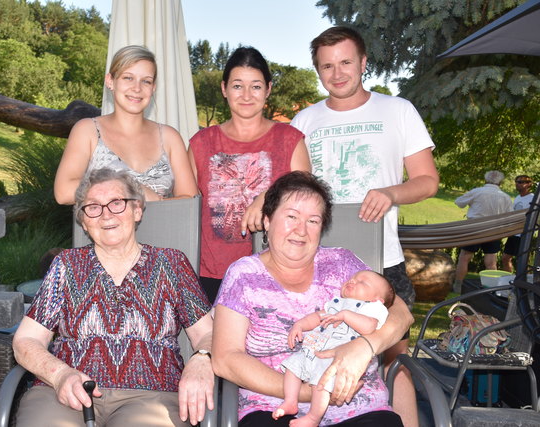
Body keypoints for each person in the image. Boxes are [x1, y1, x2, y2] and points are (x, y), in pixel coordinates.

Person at [289, 26, 439, 427]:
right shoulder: (303, 121)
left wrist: (391, 193)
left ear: (363, 63)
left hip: (379, 265)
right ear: (317, 70)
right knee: (316, 357)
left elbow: (428, 180)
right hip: (317, 265)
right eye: (326, 66)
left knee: (395, 363)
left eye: (345, 63)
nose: (337, 74)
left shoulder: (398, 110)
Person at [13, 168, 214, 427]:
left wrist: (202, 359)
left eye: (117, 203)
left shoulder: (171, 263)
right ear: (84, 221)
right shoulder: (66, 265)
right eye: (93, 207)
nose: (106, 214)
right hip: (67, 393)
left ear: (137, 210)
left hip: (152, 396)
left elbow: (206, 334)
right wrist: (61, 375)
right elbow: (26, 340)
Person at [212, 171, 412, 427]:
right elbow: (226, 358)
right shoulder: (244, 275)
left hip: (357, 405)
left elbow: (401, 314)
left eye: (313, 221)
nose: (301, 230)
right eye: (291, 216)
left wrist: (365, 347)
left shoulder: (342, 263)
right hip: (274, 406)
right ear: (267, 220)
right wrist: (310, 392)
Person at [188, 46, 311, 303]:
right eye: (237, 86)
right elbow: (185, 205)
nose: (246, 95)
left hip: (275, 273)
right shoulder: (201, 142)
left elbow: (307, 199)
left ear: (268, 89)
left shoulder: (290, 140)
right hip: (212, 276)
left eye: (255, 86)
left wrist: (268, 195)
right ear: (224, 89)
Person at [54, 45, 198, 205]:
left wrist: (157, 201)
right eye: (128, 78)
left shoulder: (169, 137)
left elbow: (190, 202)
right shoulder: (88, 131)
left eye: (146, 81)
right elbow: (63, 192)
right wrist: (134, 189)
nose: (137, 88)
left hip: (163, 229)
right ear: (110, 81)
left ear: (153, 88)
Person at [274, 270, 397, 427]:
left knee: (322, 381)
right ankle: (290, 401)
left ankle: (313, 418)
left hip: (338, 357)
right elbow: (318, 317)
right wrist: (300, 325)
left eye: (362, 282)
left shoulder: (372, 308)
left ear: (377, 299)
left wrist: (346, 315)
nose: (353, 281)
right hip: (313, 349)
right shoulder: (336, 303)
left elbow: (368, 327)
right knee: (292, 367)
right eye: (352, 278)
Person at [453, 170, 513, 288]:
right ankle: (492, 287)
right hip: (493, 230)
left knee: (465, 257)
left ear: (485, 180)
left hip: (474, 228)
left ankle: (458, 286)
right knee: (491, 261)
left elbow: (459, 202)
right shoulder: (505, 197)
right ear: (500, 182)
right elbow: (509, 216)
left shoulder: (477, 192)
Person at [502, 175, 535, 272]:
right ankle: (508, 281)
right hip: (513, 233)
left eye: (521, 182)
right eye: (516, 181)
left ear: (529, 184)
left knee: (522, 261)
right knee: (505, 258)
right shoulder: (517, 197)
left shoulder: (532, 198)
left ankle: (523, 282)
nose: (517, 184)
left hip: (523, 233)